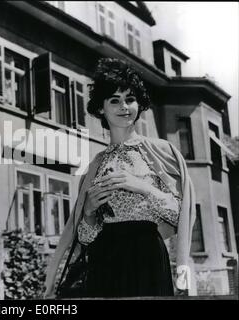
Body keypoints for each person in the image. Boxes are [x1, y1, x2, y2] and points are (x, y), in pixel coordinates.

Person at [44, 57, 196, 298]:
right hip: (103, 259)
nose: (124, 106)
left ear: (139, 104)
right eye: (114, 100)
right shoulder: (95, 165)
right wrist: (89, 212)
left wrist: (143, 187)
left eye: (130, 99)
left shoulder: (163, 152)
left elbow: (181, 215)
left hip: (148, 256)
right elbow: (84, 237)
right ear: (101, 108)